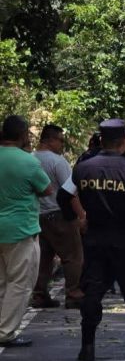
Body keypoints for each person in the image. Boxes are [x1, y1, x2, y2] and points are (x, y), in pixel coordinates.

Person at [57, 119, 125, 361]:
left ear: (101, 140)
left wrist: (78, 221)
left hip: (94, 241)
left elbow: (63, 196)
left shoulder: (83, 168)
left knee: (92, 292)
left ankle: (87, 347)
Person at [0, 115, 52, 347]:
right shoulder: (28, 162)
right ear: (23, 135)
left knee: (2, 282)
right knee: (20, 283)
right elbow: (47, 189)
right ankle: (5, 332)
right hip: (20, 230)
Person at [31, 124, 86, 309]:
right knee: (73, 256)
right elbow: (70, 192)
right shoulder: (57, 161)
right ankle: (73, 294)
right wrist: (81, 216)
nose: (62, 145)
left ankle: (39, 295)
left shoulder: (30, 159)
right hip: (59, 214)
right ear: (50, 140)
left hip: (38, 215)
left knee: (44, 258)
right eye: (61, 141)